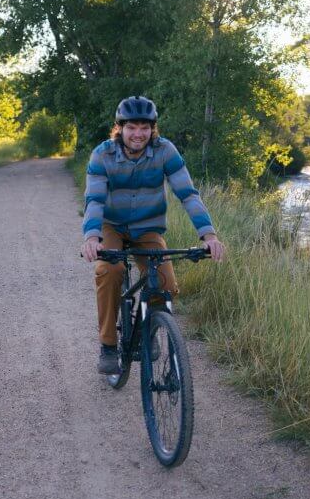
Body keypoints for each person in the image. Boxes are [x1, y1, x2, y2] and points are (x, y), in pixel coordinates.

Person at [81, 96, 225, 374]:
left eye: (145, 128)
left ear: (153, 128)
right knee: (110, 271)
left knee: (166, 284)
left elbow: (188, 194)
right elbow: (95, 200)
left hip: (148, 227)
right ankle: (108, 345)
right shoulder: (103, 155)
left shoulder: (165, 151)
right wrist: (92, 237)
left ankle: (150, 329)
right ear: (120, 127)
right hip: (112, 225)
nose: (138, 134)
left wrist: (209, 236)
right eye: (132, 127)